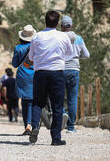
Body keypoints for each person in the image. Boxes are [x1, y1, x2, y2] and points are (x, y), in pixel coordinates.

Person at [28, 10, 73, 146]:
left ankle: (35, 126)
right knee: (57, 106)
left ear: (45, 21)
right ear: (58, 23)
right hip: (57, 73)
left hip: (40, 73)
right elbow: (69, 54)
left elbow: (31, 57)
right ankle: (55, 138)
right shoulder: (63, 37)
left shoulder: (37, 36)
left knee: (37, 102)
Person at [61, 16, 90, 133]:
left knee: (59, 97)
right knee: (72, 99)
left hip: (61, 69)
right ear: (71, 26)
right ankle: (71, 127)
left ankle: (62, 116)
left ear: (61, 26)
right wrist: (77, 57)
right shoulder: (78, 38)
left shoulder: (59, 37)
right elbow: (87, 55)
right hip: (74, 70)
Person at [12, 25, 41, 135]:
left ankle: (27, 126)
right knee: (35, 100)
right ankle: (35, 124)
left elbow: (15, 64)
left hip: (23, 75)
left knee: (25, 101)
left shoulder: (18, 48)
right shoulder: (37, 47)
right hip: (36, 74)